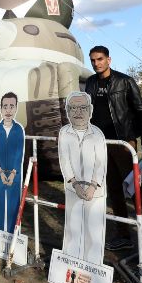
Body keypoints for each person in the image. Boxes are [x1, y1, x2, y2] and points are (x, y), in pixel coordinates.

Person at [84, 45, 142, 250]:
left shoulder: (125, 81)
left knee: (136, 188)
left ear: (109, 60)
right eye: (93, 60)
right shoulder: (91, 82)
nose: (96, 63)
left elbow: (141, 111)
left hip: (123, 143)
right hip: (101, 143)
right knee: (113, 190)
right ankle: (123, 235)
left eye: (100, 59)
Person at [58, 91, 107, 264]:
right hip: (73, 189)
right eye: (73, 108)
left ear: (90, 110)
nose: (78, 112)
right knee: (73, 228)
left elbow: (101, 163)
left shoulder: (98, 134)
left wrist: (93, 186)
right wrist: (75, 184)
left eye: (83, 108)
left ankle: (92, 268)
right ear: (67, 111)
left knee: (94, 231)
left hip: (96, 192)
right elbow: (64, 160)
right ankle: (71, 265)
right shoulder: (64, 133)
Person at [0, 92, 25, 233]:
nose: (8, 110)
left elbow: (19, 153)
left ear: (16, 108)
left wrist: (13, 173)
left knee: (13, 205)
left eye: (12, 106)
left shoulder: (19, 130)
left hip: (14, 175)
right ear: (0, 108)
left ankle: (11, 235)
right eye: (5, 106)